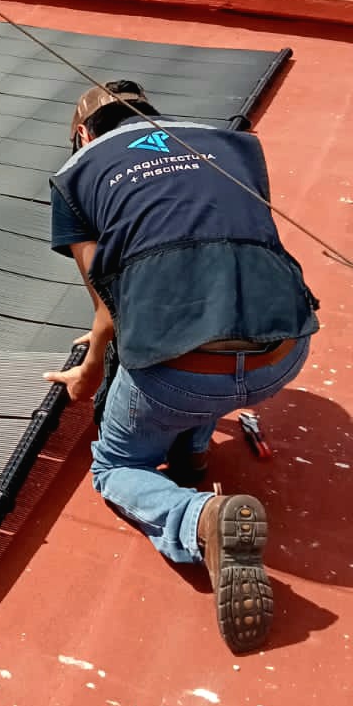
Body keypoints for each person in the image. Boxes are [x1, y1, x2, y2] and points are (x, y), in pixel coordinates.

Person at [44, 81, 319, 651]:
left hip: (181, 372)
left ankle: (197, 518)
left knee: (116, 465)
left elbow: (109, 302)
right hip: (283, 351)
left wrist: (90, 371)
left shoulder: (75, 174)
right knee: (203, 354)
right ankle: (191, 452)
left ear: (81, 134)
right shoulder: (229, 144)